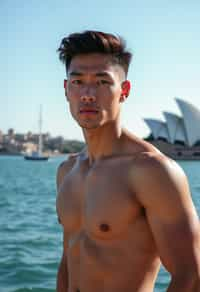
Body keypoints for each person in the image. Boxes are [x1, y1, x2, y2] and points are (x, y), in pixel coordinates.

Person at [56, 30, 200, 292]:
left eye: (101, 82)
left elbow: (190, 275)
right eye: (77, 82)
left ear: (124, 90)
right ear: (66, 89)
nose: (87, 93)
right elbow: (69, 260)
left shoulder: (152, 171)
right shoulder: (67, 171)